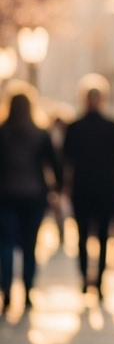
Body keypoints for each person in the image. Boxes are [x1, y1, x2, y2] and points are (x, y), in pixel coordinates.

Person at [63, 82, 114, 298]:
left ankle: (93, 279)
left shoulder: (82, 127)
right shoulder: (106, 127)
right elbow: (66, 161)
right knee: (90, 237)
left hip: (92, 188)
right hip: (96, 188)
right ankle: (90, 278)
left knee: (93, 236)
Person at [0, 90, 61, 314]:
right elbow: (54, 165)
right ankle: (27, 291)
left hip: (5, 195)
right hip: (33, 195)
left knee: (5, 245)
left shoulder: (2, 132)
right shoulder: (39, 133)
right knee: (29, 246)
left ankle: (6, 289)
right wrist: (57, 189)